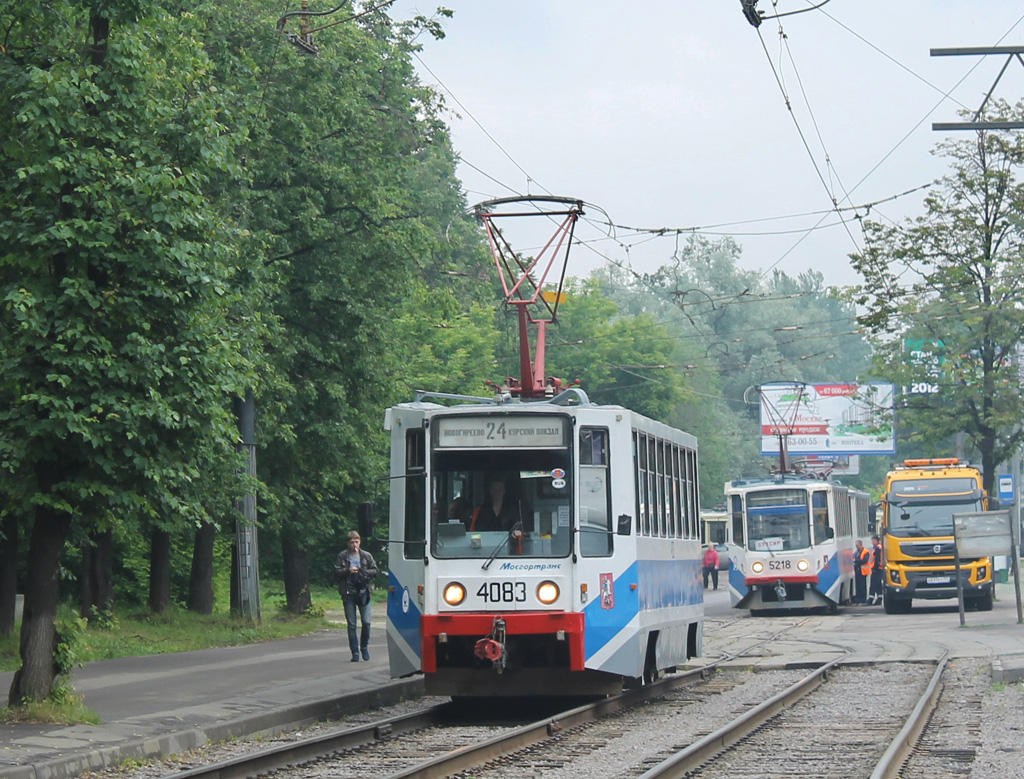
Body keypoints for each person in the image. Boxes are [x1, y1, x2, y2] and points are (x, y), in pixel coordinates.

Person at [334, 530, 378, 662]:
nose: (354, 545)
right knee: (352, 624)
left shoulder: (366, 556)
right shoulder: (342, 556)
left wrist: (364, 572)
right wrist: (348, 570)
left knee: (366, 622)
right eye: (352, 542)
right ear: (348, 543)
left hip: (364, 592)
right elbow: (336, 572)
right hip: (349, 593)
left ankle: (364, 646)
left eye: (356, 542)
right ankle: (355, 652)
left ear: (360, 542)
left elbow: (375, 570)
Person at [853, 539, 871, 605]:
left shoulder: (866, 551)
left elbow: (865, 560)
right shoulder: (856, 552)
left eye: (857, 545)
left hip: (863, 571)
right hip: (857, 571)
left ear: (861, 544)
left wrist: (857, 561)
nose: (856, 547)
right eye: (856, 545)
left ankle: (863, 599)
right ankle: (858, 599)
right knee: (857, 586)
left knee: (862, 586)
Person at [869, 535, 884, 605]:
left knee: (874, 584)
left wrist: (874, 568)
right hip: (879, 568)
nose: (872, 542)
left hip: (876, 569)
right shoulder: (880, 547)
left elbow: (877, 559)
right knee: (878, 584)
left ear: (875, 540)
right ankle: (879, 599)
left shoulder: (877, 548)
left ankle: (870, 599)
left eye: (872, 540)